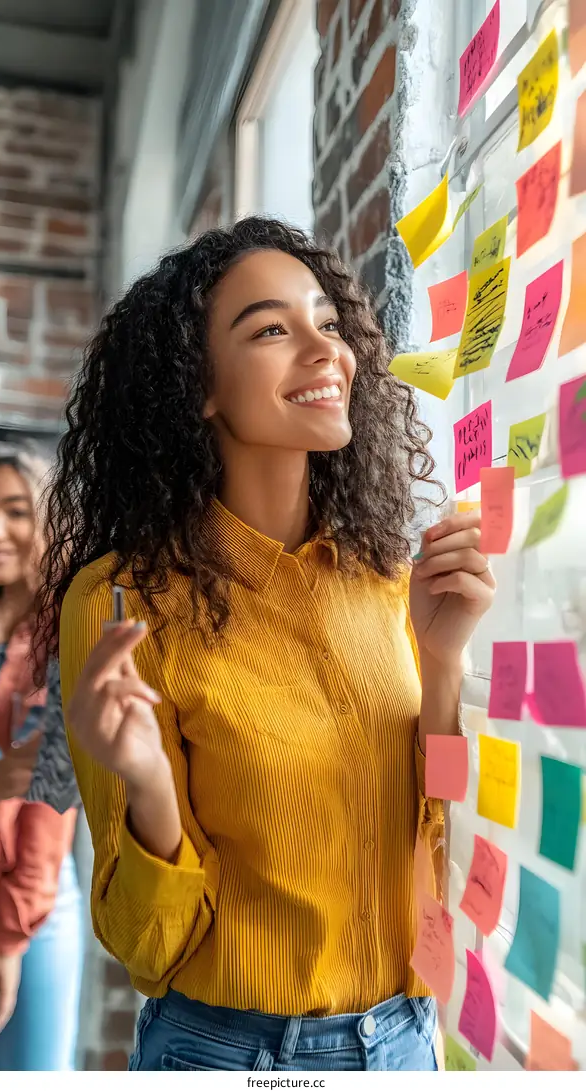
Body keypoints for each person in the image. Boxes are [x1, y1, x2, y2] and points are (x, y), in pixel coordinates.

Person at [41, 217, 494, 1072]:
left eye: (328, 322)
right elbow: (149, 948)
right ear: (199, 386)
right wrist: (147, 788)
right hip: (228, 1054)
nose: (325, 350)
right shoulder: (123, 600)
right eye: (273, 329)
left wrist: (443, 666)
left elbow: (440, 847)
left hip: (404, 1042)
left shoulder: (388, 579)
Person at [0, 452, 83, 1071]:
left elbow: (52, 794)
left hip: (33, 903)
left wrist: (10, 933)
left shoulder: (67, 629)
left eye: (15, 511)